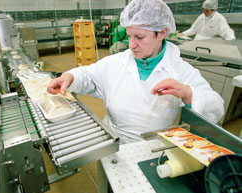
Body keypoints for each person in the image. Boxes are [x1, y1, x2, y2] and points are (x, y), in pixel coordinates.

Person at [47, 0, 224, 144]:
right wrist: (69, 77)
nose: (131, 45)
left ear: (161, 33)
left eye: (139, 37)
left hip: (154, 147)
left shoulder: (180, 70)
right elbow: (88, 75)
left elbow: (216, 107)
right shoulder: (116, 62)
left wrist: (188, 93)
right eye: (130, 36)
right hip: (113, 141)